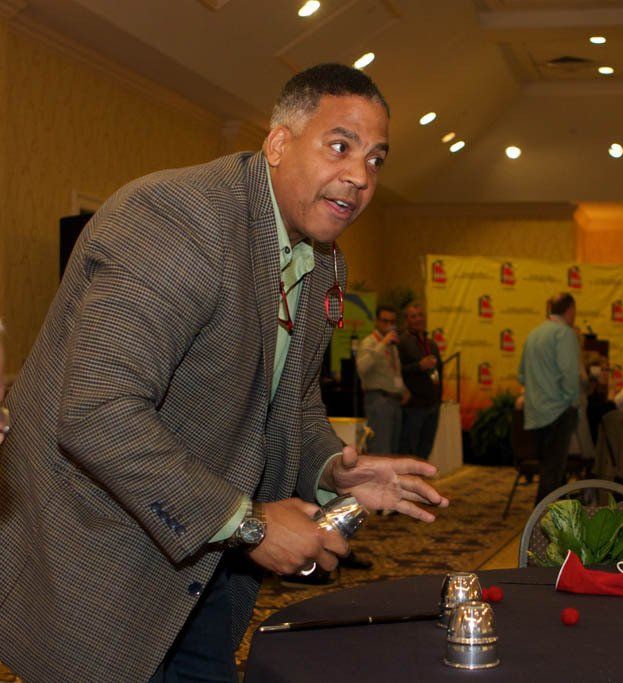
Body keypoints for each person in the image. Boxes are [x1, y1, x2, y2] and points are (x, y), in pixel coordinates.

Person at [0, 64, 449, 682]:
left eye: (376, 159)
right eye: (340, 146)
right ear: (279, 143)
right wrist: (250, 523)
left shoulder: (324, 262)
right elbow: (98, 412)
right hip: (104, 559)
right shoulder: (177, 219)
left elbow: (288, 401)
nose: (360, 176)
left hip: (210, 564)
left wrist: (332, 467)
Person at [518, 293, 581, 503]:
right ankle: (542, 517)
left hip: (535, 413)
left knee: (548, 469)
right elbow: (570, 376)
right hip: (559, 412)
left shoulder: (533, 334)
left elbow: (522, 375)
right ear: (570, 310)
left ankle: (552, 515)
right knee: (552, 474)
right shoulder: (565, 334)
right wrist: (573, 403)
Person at [356, 304, 406, 453]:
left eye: (392, 322)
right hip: (379, 400)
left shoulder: (392, 346)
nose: (389, 325)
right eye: (385, 321)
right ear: (377, 321)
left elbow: (394, 373)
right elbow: (362, 367)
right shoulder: (369, 342)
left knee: (393, 450)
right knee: (381, 449)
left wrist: (403, 389)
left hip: (395, 401)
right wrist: (382, 344)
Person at [398, 303, 443, 459]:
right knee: (409, 450)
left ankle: (422, 475)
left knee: (426, 450)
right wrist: (419, 366)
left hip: (433, 405)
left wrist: (438, 400)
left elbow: (440, 372)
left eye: (420, 315)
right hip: (414, 407)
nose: (418, 319)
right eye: (413, 316)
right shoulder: (402, 342)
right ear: (407, 320)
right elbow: (397, 371)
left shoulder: (431, 344)